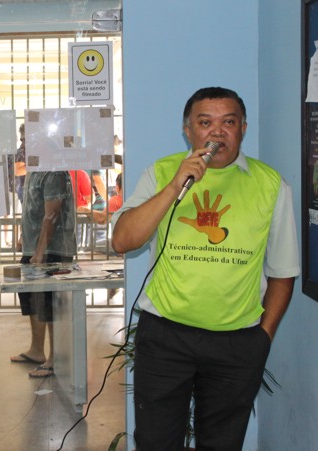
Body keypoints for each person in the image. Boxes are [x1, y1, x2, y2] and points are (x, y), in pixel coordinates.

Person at [111, 87, 299, 450]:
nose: (217, 132)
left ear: (243, 128)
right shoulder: (161, 172)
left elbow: (283, 271)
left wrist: (263, 337)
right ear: (188, 131)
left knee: (223, 443)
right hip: (165, 336)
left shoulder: (271, 185)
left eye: (228, 122)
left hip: (237, 342)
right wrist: (175, 186)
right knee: (155, 442)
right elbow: (123, 241)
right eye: (205, 123)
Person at [10, 170, 76, 377]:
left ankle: (56, 359)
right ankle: (36, 350)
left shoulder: (54, 171)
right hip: (35, 249)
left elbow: (52, 213)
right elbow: (33, 208)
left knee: (51, 304)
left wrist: (40, 252)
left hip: (52, 251)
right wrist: (25, 238)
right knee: (33, 300)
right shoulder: (34, 171)